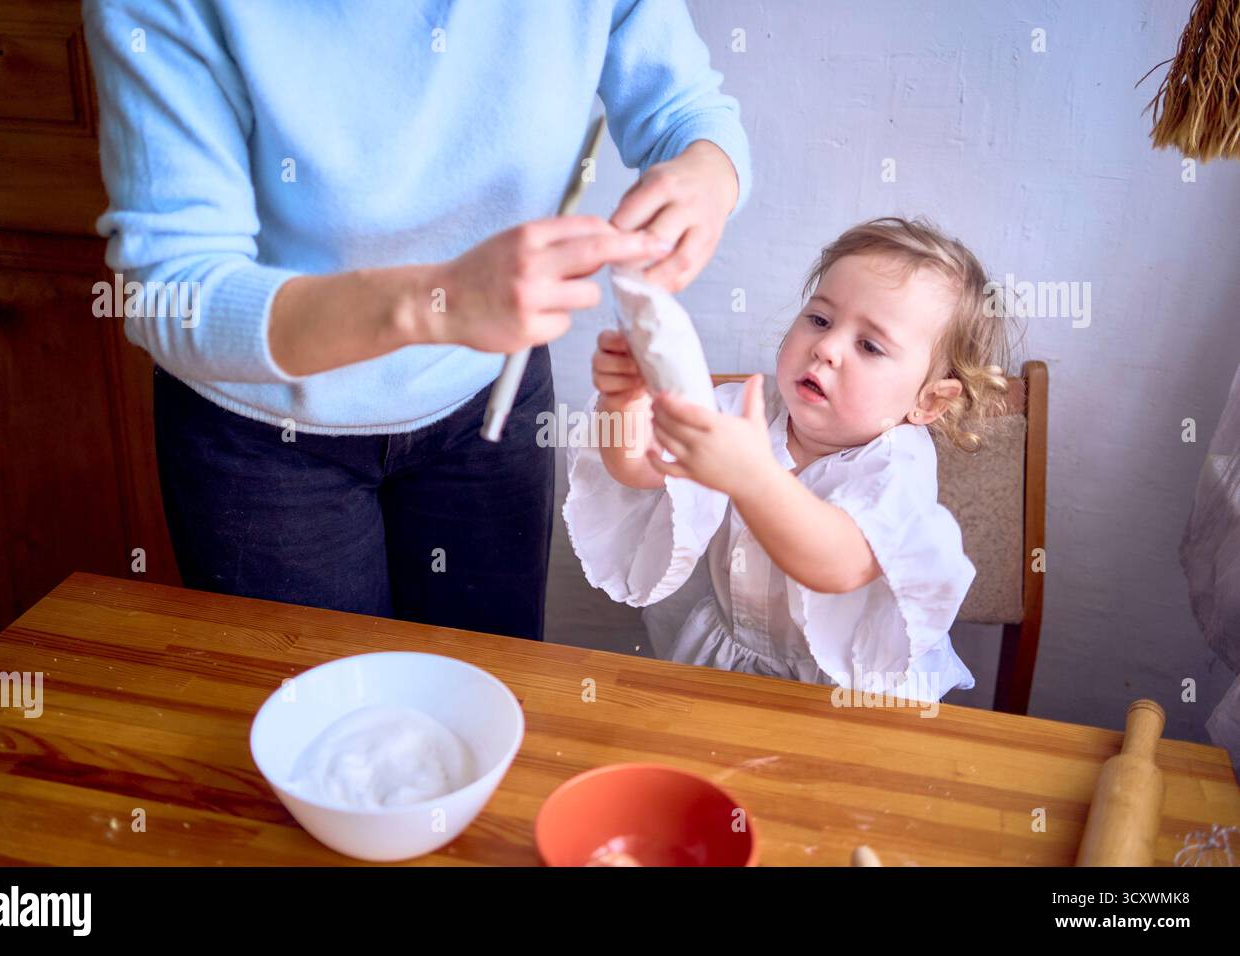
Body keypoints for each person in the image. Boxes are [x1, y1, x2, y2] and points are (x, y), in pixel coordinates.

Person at [82, 0, 752, 641]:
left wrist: (706, 173)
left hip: (491, 402)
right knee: (320, 732)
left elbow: (686, 110)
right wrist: (438, 302)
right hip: (264, 437)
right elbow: (170, 293)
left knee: (485, 705)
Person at [565, 217, 1014, 702]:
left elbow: (837, 564)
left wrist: (752, 477)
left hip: (850, 693)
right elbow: (638, 466)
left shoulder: (896, 466)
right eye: (820, 320)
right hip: (727, 666)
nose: (826, 347)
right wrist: (624, 399)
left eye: (869, 346)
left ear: (928, 402)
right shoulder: (743, 410)